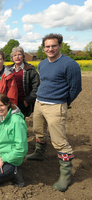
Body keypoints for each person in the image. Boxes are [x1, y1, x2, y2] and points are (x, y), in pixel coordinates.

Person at [25, 33, 82, 192]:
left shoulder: (69, 64)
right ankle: (39, 152)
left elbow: (76, 88)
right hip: (39, 103)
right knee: (38, 131)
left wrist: (63, 102)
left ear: (60, 46)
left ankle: (66, 174)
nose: (50, 49)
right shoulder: (42, 64)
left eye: (53, 45)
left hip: (56, 106)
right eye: (47, 46)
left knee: (59, 140)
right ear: (43, 48)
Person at [7, 47, 40, 117]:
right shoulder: (7, 69)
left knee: (20, 124)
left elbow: (36, 88)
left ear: (23, 57)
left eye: (19, 54)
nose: (17, 57)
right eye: (15, 55)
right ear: (12, 58)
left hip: (23, 102)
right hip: (9, 103)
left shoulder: (30, 70)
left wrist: (27, 102)